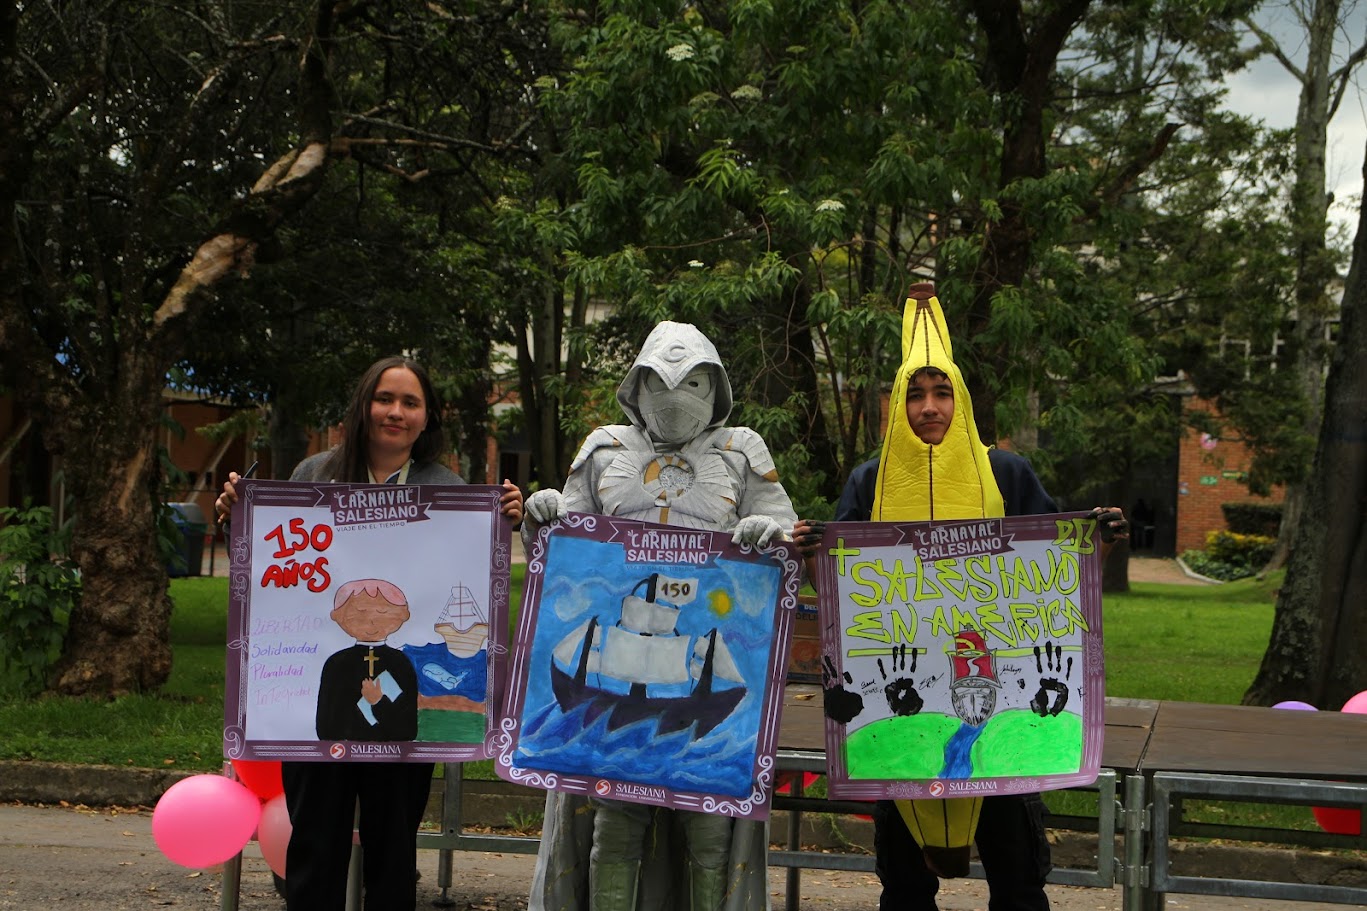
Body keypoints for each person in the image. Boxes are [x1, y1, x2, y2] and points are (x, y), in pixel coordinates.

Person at [793, 283, 1127, 911]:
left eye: (941, 392)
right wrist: (811, 552)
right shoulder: (868, 482)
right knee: (906, 887)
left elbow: (1060, 581)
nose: (929, 407)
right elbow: (839, 596)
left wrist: (1099, 544)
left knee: (1019, 884)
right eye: (915, 395)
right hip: (905, 725)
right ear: (896, 405)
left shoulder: (1008, 474)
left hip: (1004, 716)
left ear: (962, 400)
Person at [214, 355, 524, 911]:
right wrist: (240, 512)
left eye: (410, 403)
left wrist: (503, 518)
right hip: (315, 736)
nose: (396, 412)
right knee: (315, 844)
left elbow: (467, 573)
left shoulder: (449, 490)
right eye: (385, 399)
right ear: (364, 405)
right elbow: (273, 557)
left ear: (427, 418)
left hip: (398, 740)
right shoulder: (313, 476)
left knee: (393, 848)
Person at [521, 320, 798, 911]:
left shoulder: (742, 450)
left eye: (695, 383)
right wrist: (541, 518)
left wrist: (770, 534)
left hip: (704, 646)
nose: (677, 398)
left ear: (715, 388)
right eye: (661, 382)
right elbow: (563, 557)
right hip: (618, 661)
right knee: (613, 815)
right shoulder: (602, 448)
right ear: (637, 385)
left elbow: (787, 543)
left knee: (711, 819)